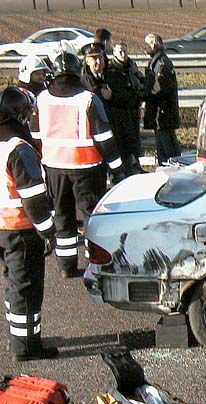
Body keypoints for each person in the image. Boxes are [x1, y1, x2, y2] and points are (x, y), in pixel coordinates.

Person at [32, 47, 123, 278]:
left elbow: (35, 136)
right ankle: (98, 263)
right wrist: (117, 169)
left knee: (62, 218)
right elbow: (105, 138)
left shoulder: (42, 99)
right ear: (77, 71)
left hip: (53, 168)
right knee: (91, 216)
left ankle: (66, 267)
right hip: (87, 169)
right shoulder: (88, 99)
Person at [0, 86, 58, 361]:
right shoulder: (19, 149)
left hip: (2, 229)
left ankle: (19, 335)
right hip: (20, 230)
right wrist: (47, 230)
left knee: (13, 285)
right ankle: (26, 347)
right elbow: (34, 198)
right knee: (26, 289)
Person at [107, 41, 145, 177]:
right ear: (114, 53)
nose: (123, 54)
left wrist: (139, 94)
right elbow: (116, 94)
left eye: (125, 51)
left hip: (133, 110)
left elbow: (140, 83)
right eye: (120, 52)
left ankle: (136, 166)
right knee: (124, 146)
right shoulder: (112, 70)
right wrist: (131, 96)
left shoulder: (131, 66)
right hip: (121, 113)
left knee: (135, 142)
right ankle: (126, 172)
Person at [143, 34, 181, 165]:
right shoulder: (158, 61)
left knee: (167, 152)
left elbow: (159, 89)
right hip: (161, 114)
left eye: (147, 45)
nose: (146, 48)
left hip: (163, 113)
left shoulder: (161, 64)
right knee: (164, 149)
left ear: (153, 45)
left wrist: (144, 94)